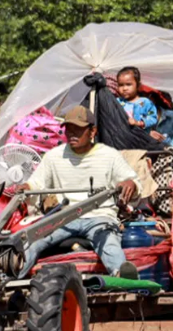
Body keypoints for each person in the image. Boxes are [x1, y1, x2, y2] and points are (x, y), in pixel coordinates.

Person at [17, 106, 140, 279]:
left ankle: (122, 276)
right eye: (69, 129)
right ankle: (11, 280)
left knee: (109, 242)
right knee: (32, 241)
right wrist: (26, 188)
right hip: (64, 218)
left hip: (100, 216)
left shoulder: (109, 156)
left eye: (78, 129)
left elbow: (133, 181)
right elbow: (36, 182)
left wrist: (130, 184)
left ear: (92, 131)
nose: (72, 134)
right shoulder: (54, 156)